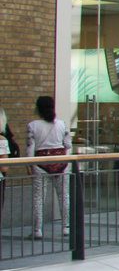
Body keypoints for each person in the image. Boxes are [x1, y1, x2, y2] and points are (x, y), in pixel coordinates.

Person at [27, 95, 72, 241]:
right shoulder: (62, 124)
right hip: (61, 163)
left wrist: (29, 164)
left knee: (38, 197)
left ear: (38, 109)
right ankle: (66, 227)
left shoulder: (33, 126)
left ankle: (37, 229)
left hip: (41, 163)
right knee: (64, 195)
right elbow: (68, 145)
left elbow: (30, 149)